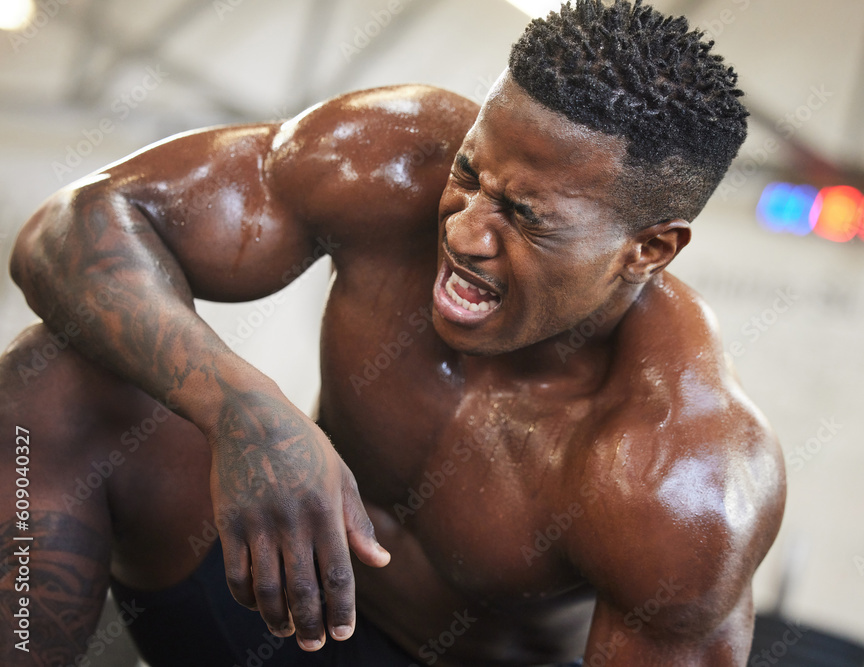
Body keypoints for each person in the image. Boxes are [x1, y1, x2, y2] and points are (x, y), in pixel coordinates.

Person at [0, 1, 785, 665]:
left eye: (525, 215)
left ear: (648, 249)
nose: (466, 231)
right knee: (61, 373)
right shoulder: (390, 159)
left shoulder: (684, 476)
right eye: (472, 175)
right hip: (269, 602)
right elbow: (71, 228)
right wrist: (239, 402)